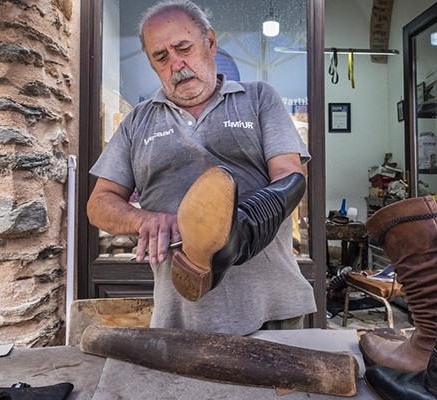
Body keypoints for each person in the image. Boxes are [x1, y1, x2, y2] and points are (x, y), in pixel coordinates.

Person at [87, 0, 316, 335]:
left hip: (273, 307)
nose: (176, 64)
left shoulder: (258, 98)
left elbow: (291, 176)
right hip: (180, 314)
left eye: (184, 48)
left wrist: (240, 226)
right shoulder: (137, 120)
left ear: (210, 43)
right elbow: (99, 203)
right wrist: (143, 220)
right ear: (152, 65)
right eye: (161, 57)